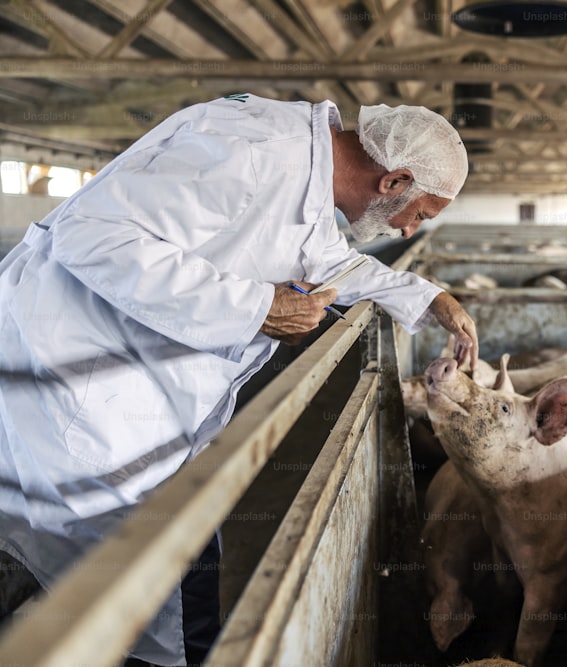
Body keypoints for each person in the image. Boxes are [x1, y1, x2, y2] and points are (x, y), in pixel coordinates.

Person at [0, 93, 478, 665]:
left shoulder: (306, 170)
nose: (408, 233)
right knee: (153, 579)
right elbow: (94, 235)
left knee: (148, 569)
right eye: (420, 215)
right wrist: (257, 308)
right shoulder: (250, 148)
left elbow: (332, 264)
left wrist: (432, 298)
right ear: (393, 180)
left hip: (127, 394)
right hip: (73, 383)